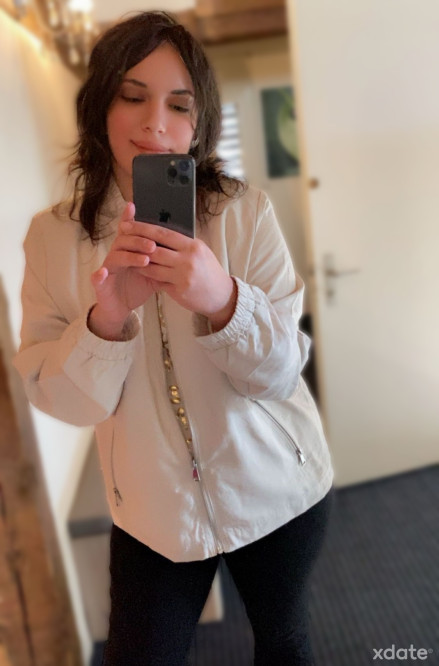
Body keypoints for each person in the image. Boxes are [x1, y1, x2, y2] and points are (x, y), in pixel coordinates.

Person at [13, 11, 333, 666]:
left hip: (275, 487)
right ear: (99, 103)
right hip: (151, 515)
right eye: (132, 96)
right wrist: (106, 321)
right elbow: (64, 400)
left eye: (179, 106)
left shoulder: (242, 212)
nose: (155, 123)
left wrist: (222, 301)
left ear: (199, 122)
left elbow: (281, 372)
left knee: (284, 644)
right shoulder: (53, 237)